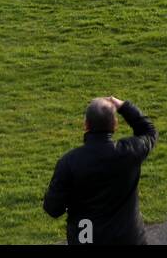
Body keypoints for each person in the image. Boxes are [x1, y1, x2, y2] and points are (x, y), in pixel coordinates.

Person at [43, 96, 158, 245]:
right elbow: (149, 131)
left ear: (86, 125)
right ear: (115, 125)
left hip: (87, 238)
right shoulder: (130, 152)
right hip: (128, 238)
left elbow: (53, 208)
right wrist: (123, 106)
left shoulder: (69, 162)